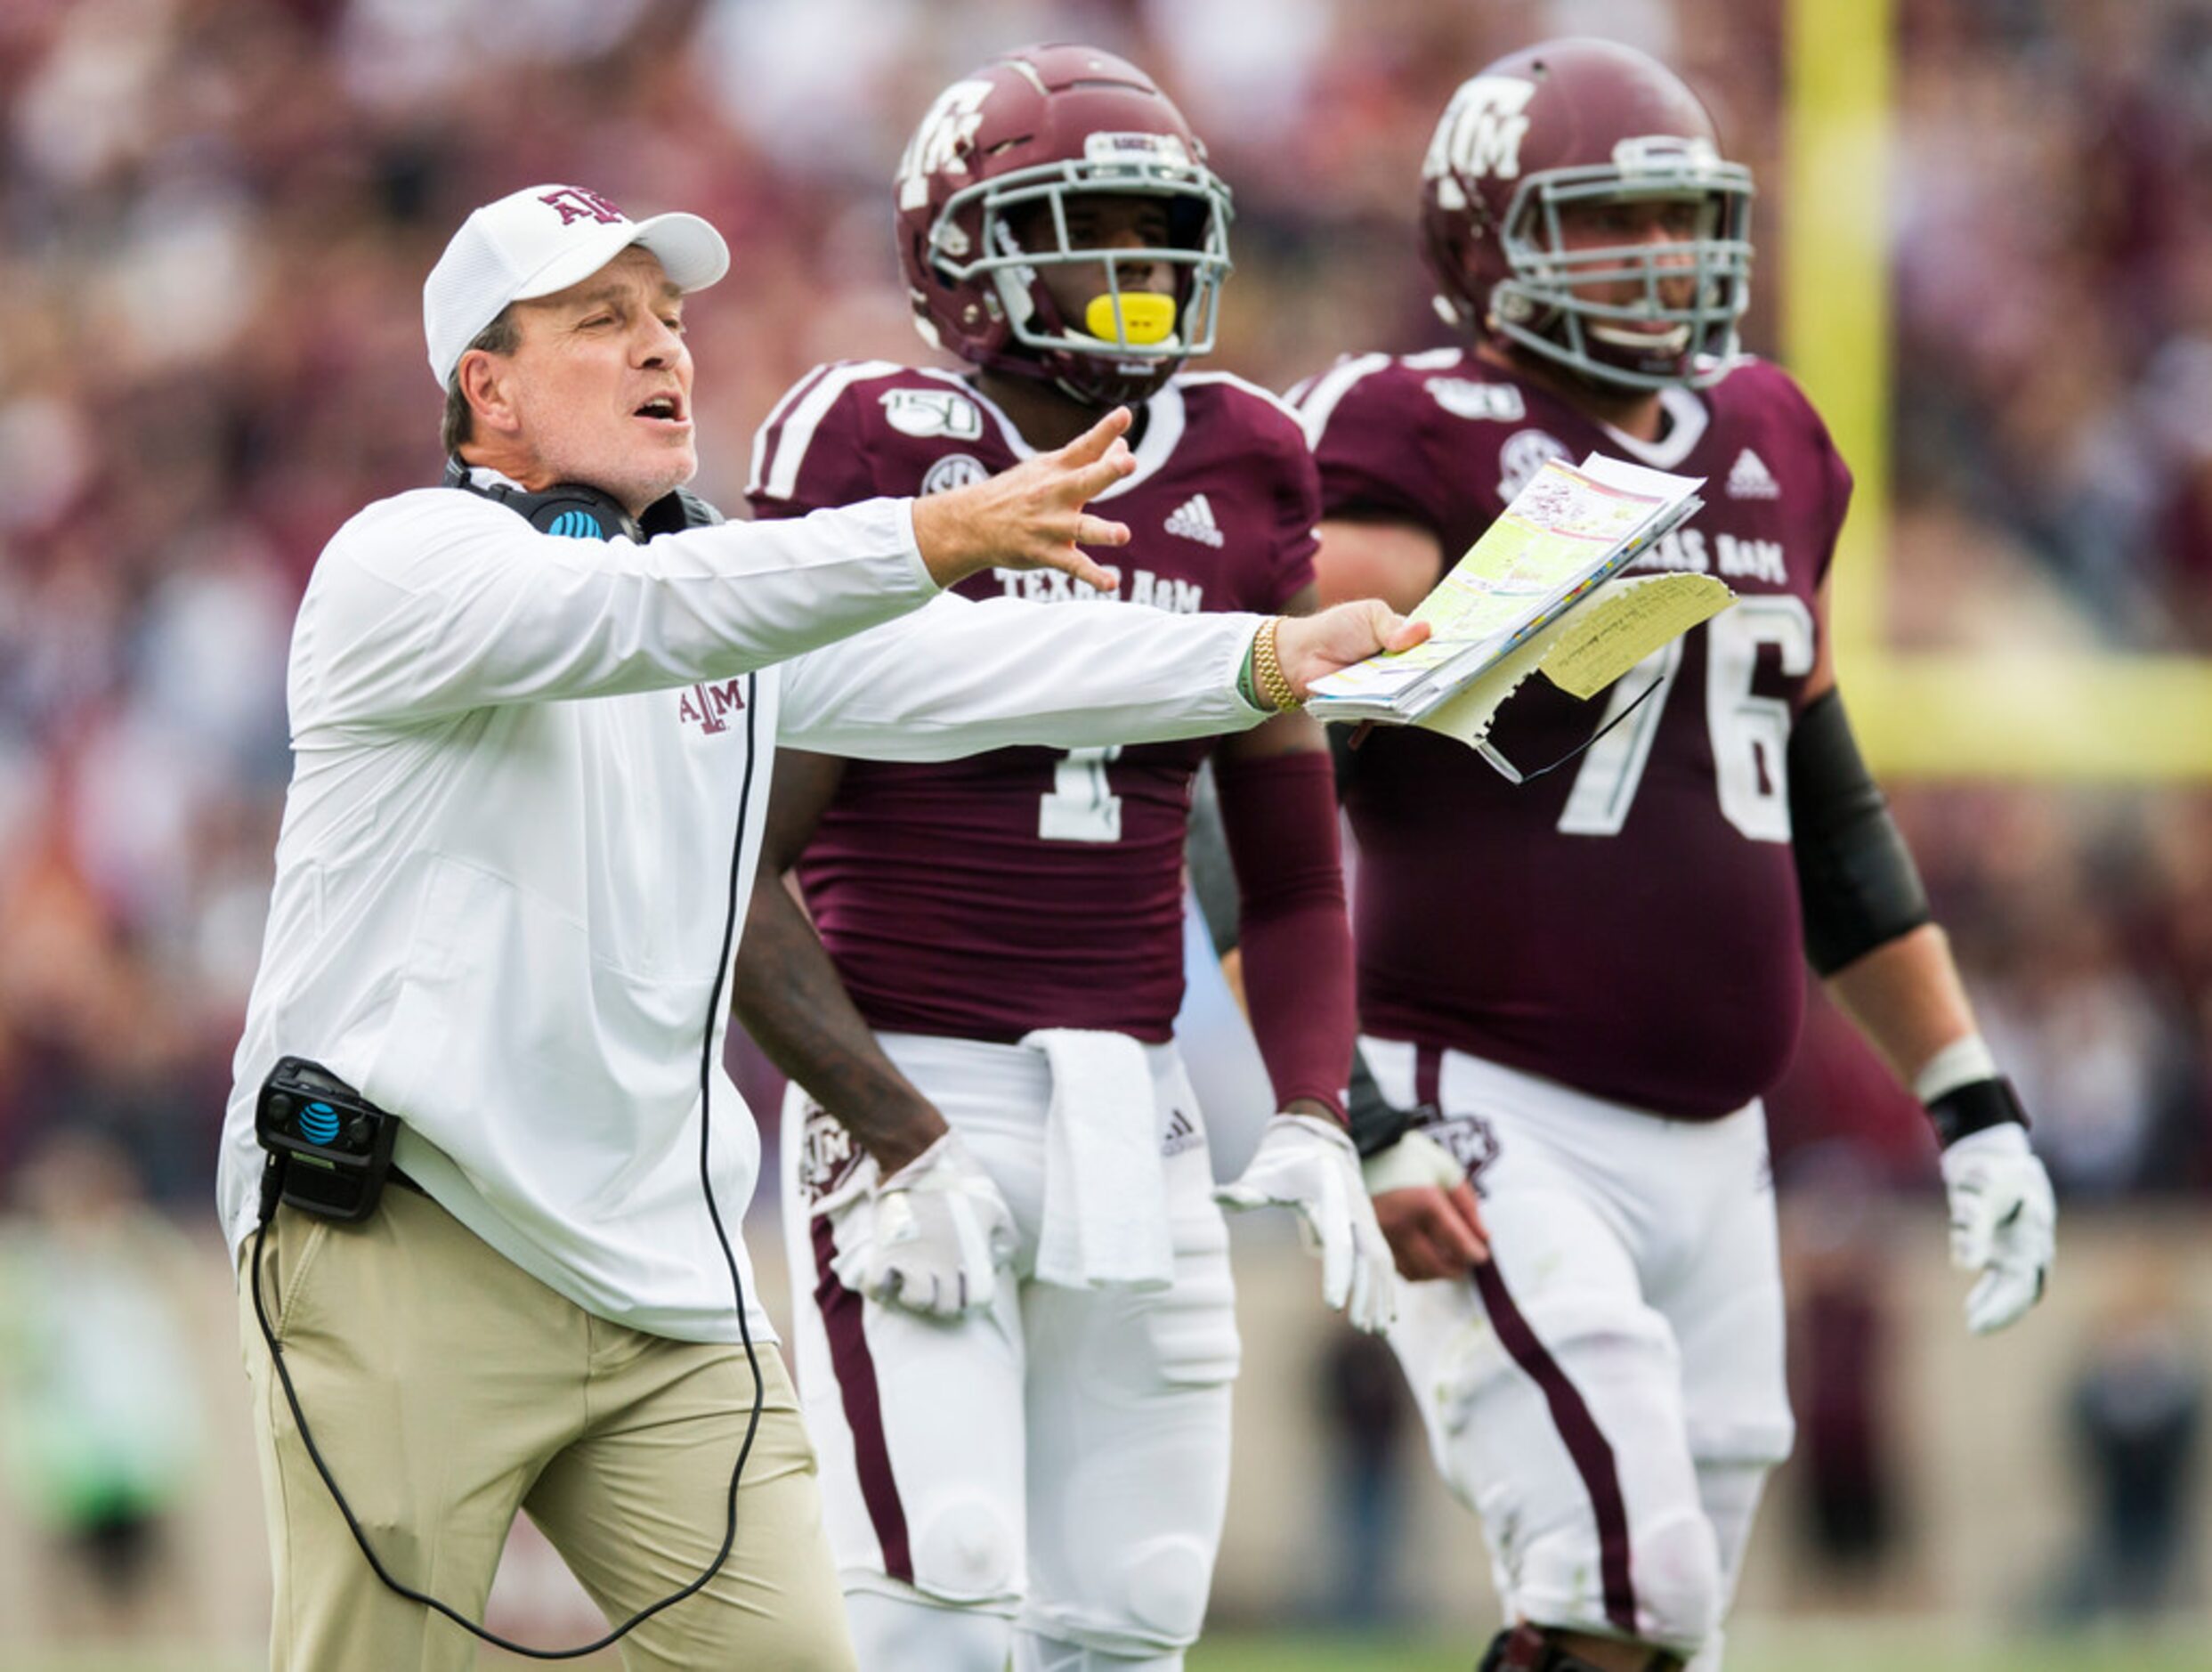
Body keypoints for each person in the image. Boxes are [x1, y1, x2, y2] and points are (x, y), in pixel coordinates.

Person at [214, 181, 1422, 1672]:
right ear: (488, 386)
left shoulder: (713, 605)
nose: (666, 348)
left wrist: (1266, 653)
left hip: (659, 1282)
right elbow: (641, 617)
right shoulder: (405, 565)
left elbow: (1001, 669)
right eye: (604, 320)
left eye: (670, 316)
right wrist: (933, 527)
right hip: (414, 1239)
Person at [1293, 39, 2060, 1672]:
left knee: (1661, 1615)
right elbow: (1262, 765)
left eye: (1676, 217)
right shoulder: (1410, 429)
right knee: (1624, 1579)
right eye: (1605, 221)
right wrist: (1343, 1106)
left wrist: (1966, 1092)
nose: (1657, 255)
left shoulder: (1769, 433)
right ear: (1483, 246)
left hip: (1718, 1139)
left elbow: (1826, 801)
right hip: (1480, 1090)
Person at [733, 45, 1393, 1672]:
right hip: (912, 1079)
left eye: (1161, 232)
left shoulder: (1239, 458)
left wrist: (1319, 1101)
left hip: (1141, 1110)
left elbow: (1289, 864)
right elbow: (724, 864)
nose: (1141, 274)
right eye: (1090, 227)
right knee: (940, 1611)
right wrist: (892, 1132)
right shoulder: (878, 444)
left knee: (1132, 1619)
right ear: (962, 256)